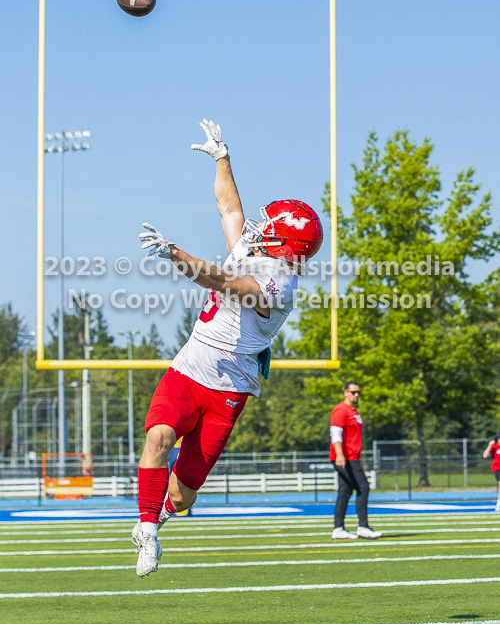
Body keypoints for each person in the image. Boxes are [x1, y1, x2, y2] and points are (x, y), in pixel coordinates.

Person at [132, 119, 323, 577]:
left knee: (181, 496)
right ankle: (146, 531)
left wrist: (174, 254)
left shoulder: (277, 284)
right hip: (189, 368)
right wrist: (222, 158)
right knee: (158, 437)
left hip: (228, 392)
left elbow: (221, 280)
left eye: (270, 225)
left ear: (285, 245)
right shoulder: (261, 250)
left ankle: (162, 509)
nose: (260, 226)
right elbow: (228, 208)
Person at [330, 381, 382, 540]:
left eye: (358, 392)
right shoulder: (341, 410)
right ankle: (363, 526)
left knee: (345, 491)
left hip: (352, 457)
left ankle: (338, 528)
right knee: (363, 487)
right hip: (346, 458)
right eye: (353, 392)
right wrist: (340, 455)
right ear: (345, 393)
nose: (356, 395)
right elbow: (335, 433)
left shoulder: (353, 411)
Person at [482, 432, 500, 512]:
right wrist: (489, 446)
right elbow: (485, 456)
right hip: (497, 468)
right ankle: (499, 502)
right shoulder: (495, 447)